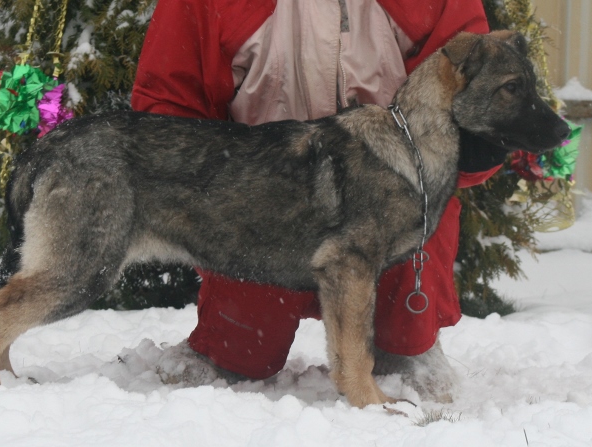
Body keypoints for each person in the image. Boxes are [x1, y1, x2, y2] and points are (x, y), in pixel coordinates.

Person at [131, 0, 506, 402]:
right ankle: (226, 344)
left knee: (405, 337)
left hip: (394, 196)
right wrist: (213, 193)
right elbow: (171, 98)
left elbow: (476, 82)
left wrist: (472, 146)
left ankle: (407, 347)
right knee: (238, 352)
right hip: (263, 196)